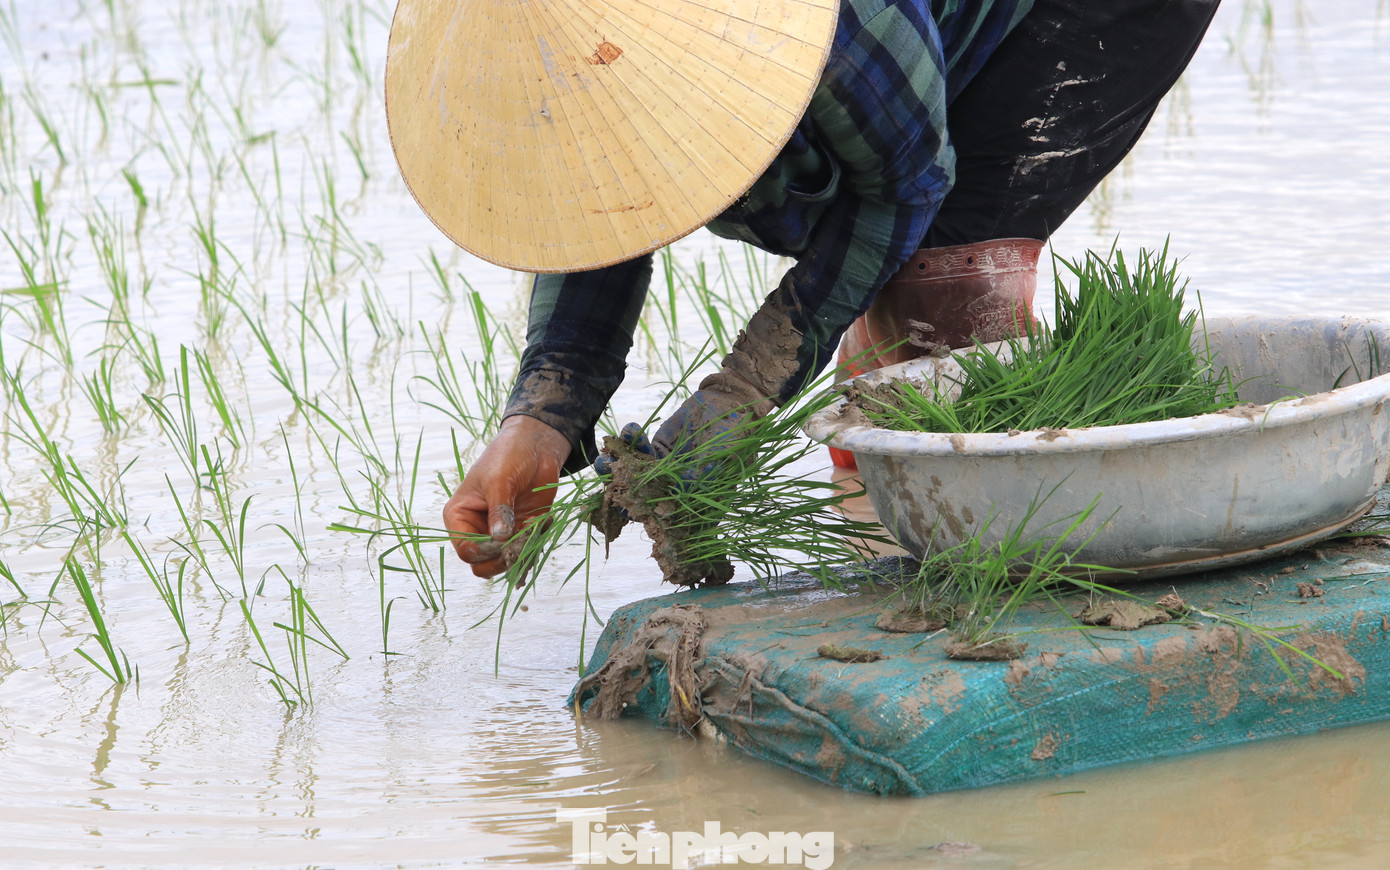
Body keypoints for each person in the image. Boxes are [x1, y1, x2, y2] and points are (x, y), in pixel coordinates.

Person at [384, 0, 1220, 578]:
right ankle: (895, 562)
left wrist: (742, 392)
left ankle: (994, 588)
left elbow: (902, 185)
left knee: (941, 297)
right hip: (892, 49)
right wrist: (544, 416)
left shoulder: (832, 21)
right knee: (890, 331)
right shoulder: (572, 43)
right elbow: (606, 192)